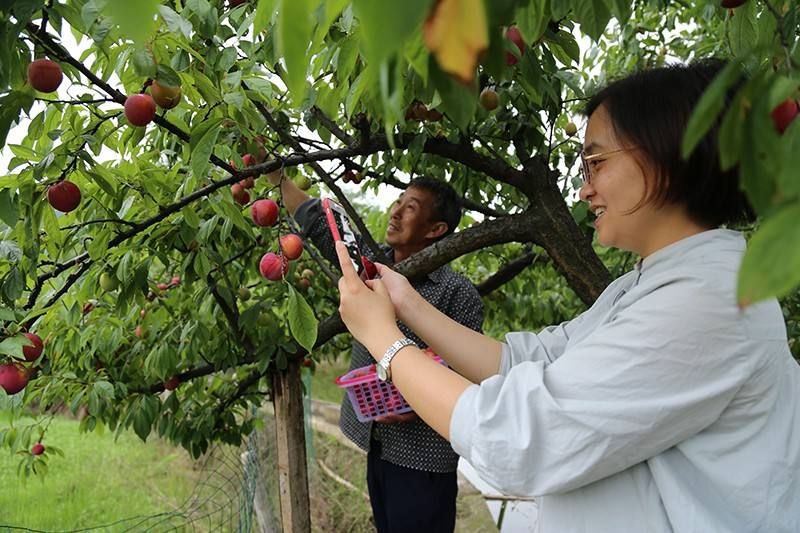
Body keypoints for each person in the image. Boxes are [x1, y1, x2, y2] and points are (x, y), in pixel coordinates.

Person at [334, 60, 800, 532]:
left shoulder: (707, 303)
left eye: (597, 163)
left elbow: (518, 439)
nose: (583, 189)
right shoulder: (650, 286)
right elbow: (529, 360)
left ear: (669, 154)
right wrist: (407, 301)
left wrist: (384, 339)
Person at [267, 171, 484, 532]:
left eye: (410, 208)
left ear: (435, 230)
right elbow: (320, 225)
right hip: (378, 443)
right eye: (398, 202)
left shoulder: (456, 293)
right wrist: (277, 177)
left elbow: (467, 374)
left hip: (423, 457)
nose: (396, 213)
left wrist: (418, 401)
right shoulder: (371, 268)